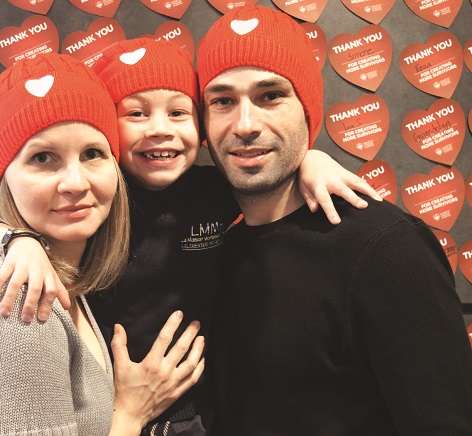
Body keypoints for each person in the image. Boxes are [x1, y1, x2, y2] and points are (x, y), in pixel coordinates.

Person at [0, 39, 380, 434]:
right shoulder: (99, 198)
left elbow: (267, 175)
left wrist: (311, 161)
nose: (160, 128)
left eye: (178, 112)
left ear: (201, 128)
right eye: (136, 113)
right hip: (113, 404)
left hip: (199, 399)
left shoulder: (214, 190)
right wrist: (18, 241)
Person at [196, 6, 472, 434]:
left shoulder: (386, 248)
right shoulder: (217, 253)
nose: (245, 124)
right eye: (223, 101)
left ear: (307, 109)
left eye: (270, 96)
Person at [0, 53, 205, 435]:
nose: (75, 183)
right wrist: (131, 414)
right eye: (43, 157)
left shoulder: (65, 275)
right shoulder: (17, 299)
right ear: (4, 177)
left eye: (92, 154)